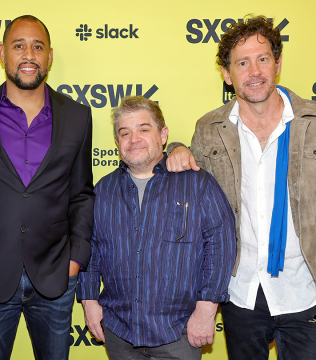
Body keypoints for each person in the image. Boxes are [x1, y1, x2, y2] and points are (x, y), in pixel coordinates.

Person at [166, 15, 316, 360]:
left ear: (278, 63)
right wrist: (176, 148)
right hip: (241, 292)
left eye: (263, 59)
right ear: (227, 74)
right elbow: (195, 201)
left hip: (309, 291)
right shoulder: (209, 128)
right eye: (242, 62)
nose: (254, 71)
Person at [0, 15, 94, 360]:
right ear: (3, 53)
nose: (29, 54)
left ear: (49, 56)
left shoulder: (77, 116)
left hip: (56, 277)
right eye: (19, 45)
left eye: (37, 46)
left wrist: (76, 260)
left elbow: (82, 193)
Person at [77, 96, 236, 360]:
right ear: (117, 143)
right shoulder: (103, 190)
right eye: (124, 133)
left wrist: (207, 310)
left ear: (163, 135)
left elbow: (222, 245)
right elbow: (90, 249)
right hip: (119, 332)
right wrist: (90, 301)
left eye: (143, 129)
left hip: (180, 331)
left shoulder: (197, 183)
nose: (133, 139)